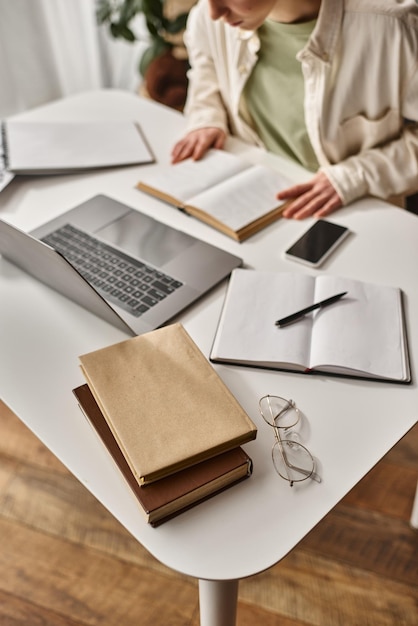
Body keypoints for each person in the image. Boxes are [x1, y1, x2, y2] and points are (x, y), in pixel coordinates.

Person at [171, 0, 418, 219]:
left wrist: (356, 177)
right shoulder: (208, 16)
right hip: (255, 203)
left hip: (359, 215)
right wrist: (206, 118)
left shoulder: (395, 26)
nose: (214, 11)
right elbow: (206, 71)